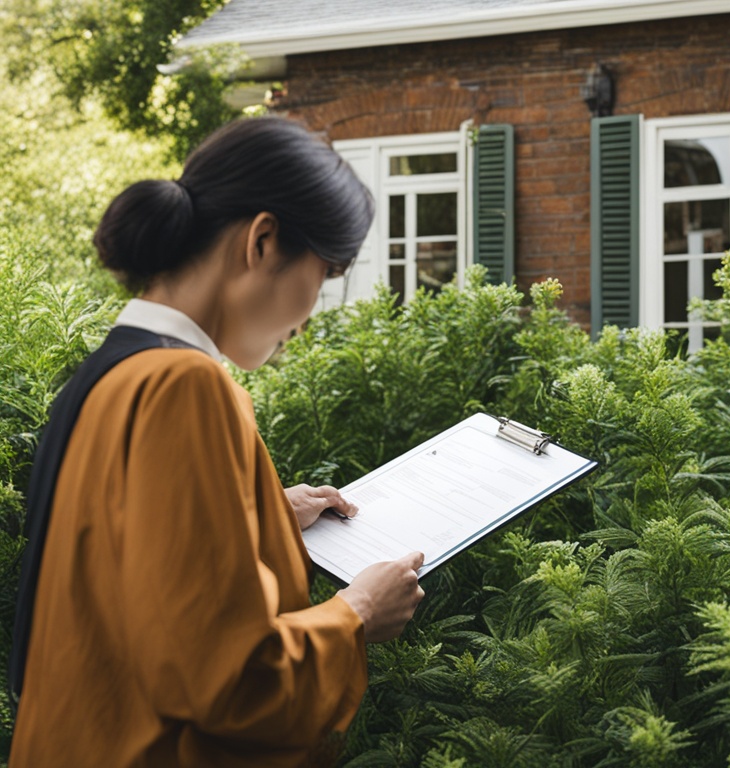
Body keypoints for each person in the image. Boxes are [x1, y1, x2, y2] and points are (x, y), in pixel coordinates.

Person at [8, 116, 425, 767]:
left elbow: (120, 562)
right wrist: (358, 614)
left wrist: (260, 518)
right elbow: (226, 681)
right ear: (262, 240)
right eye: (325, 274)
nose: (311, 315)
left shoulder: (111, 373)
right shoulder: (185, 384)